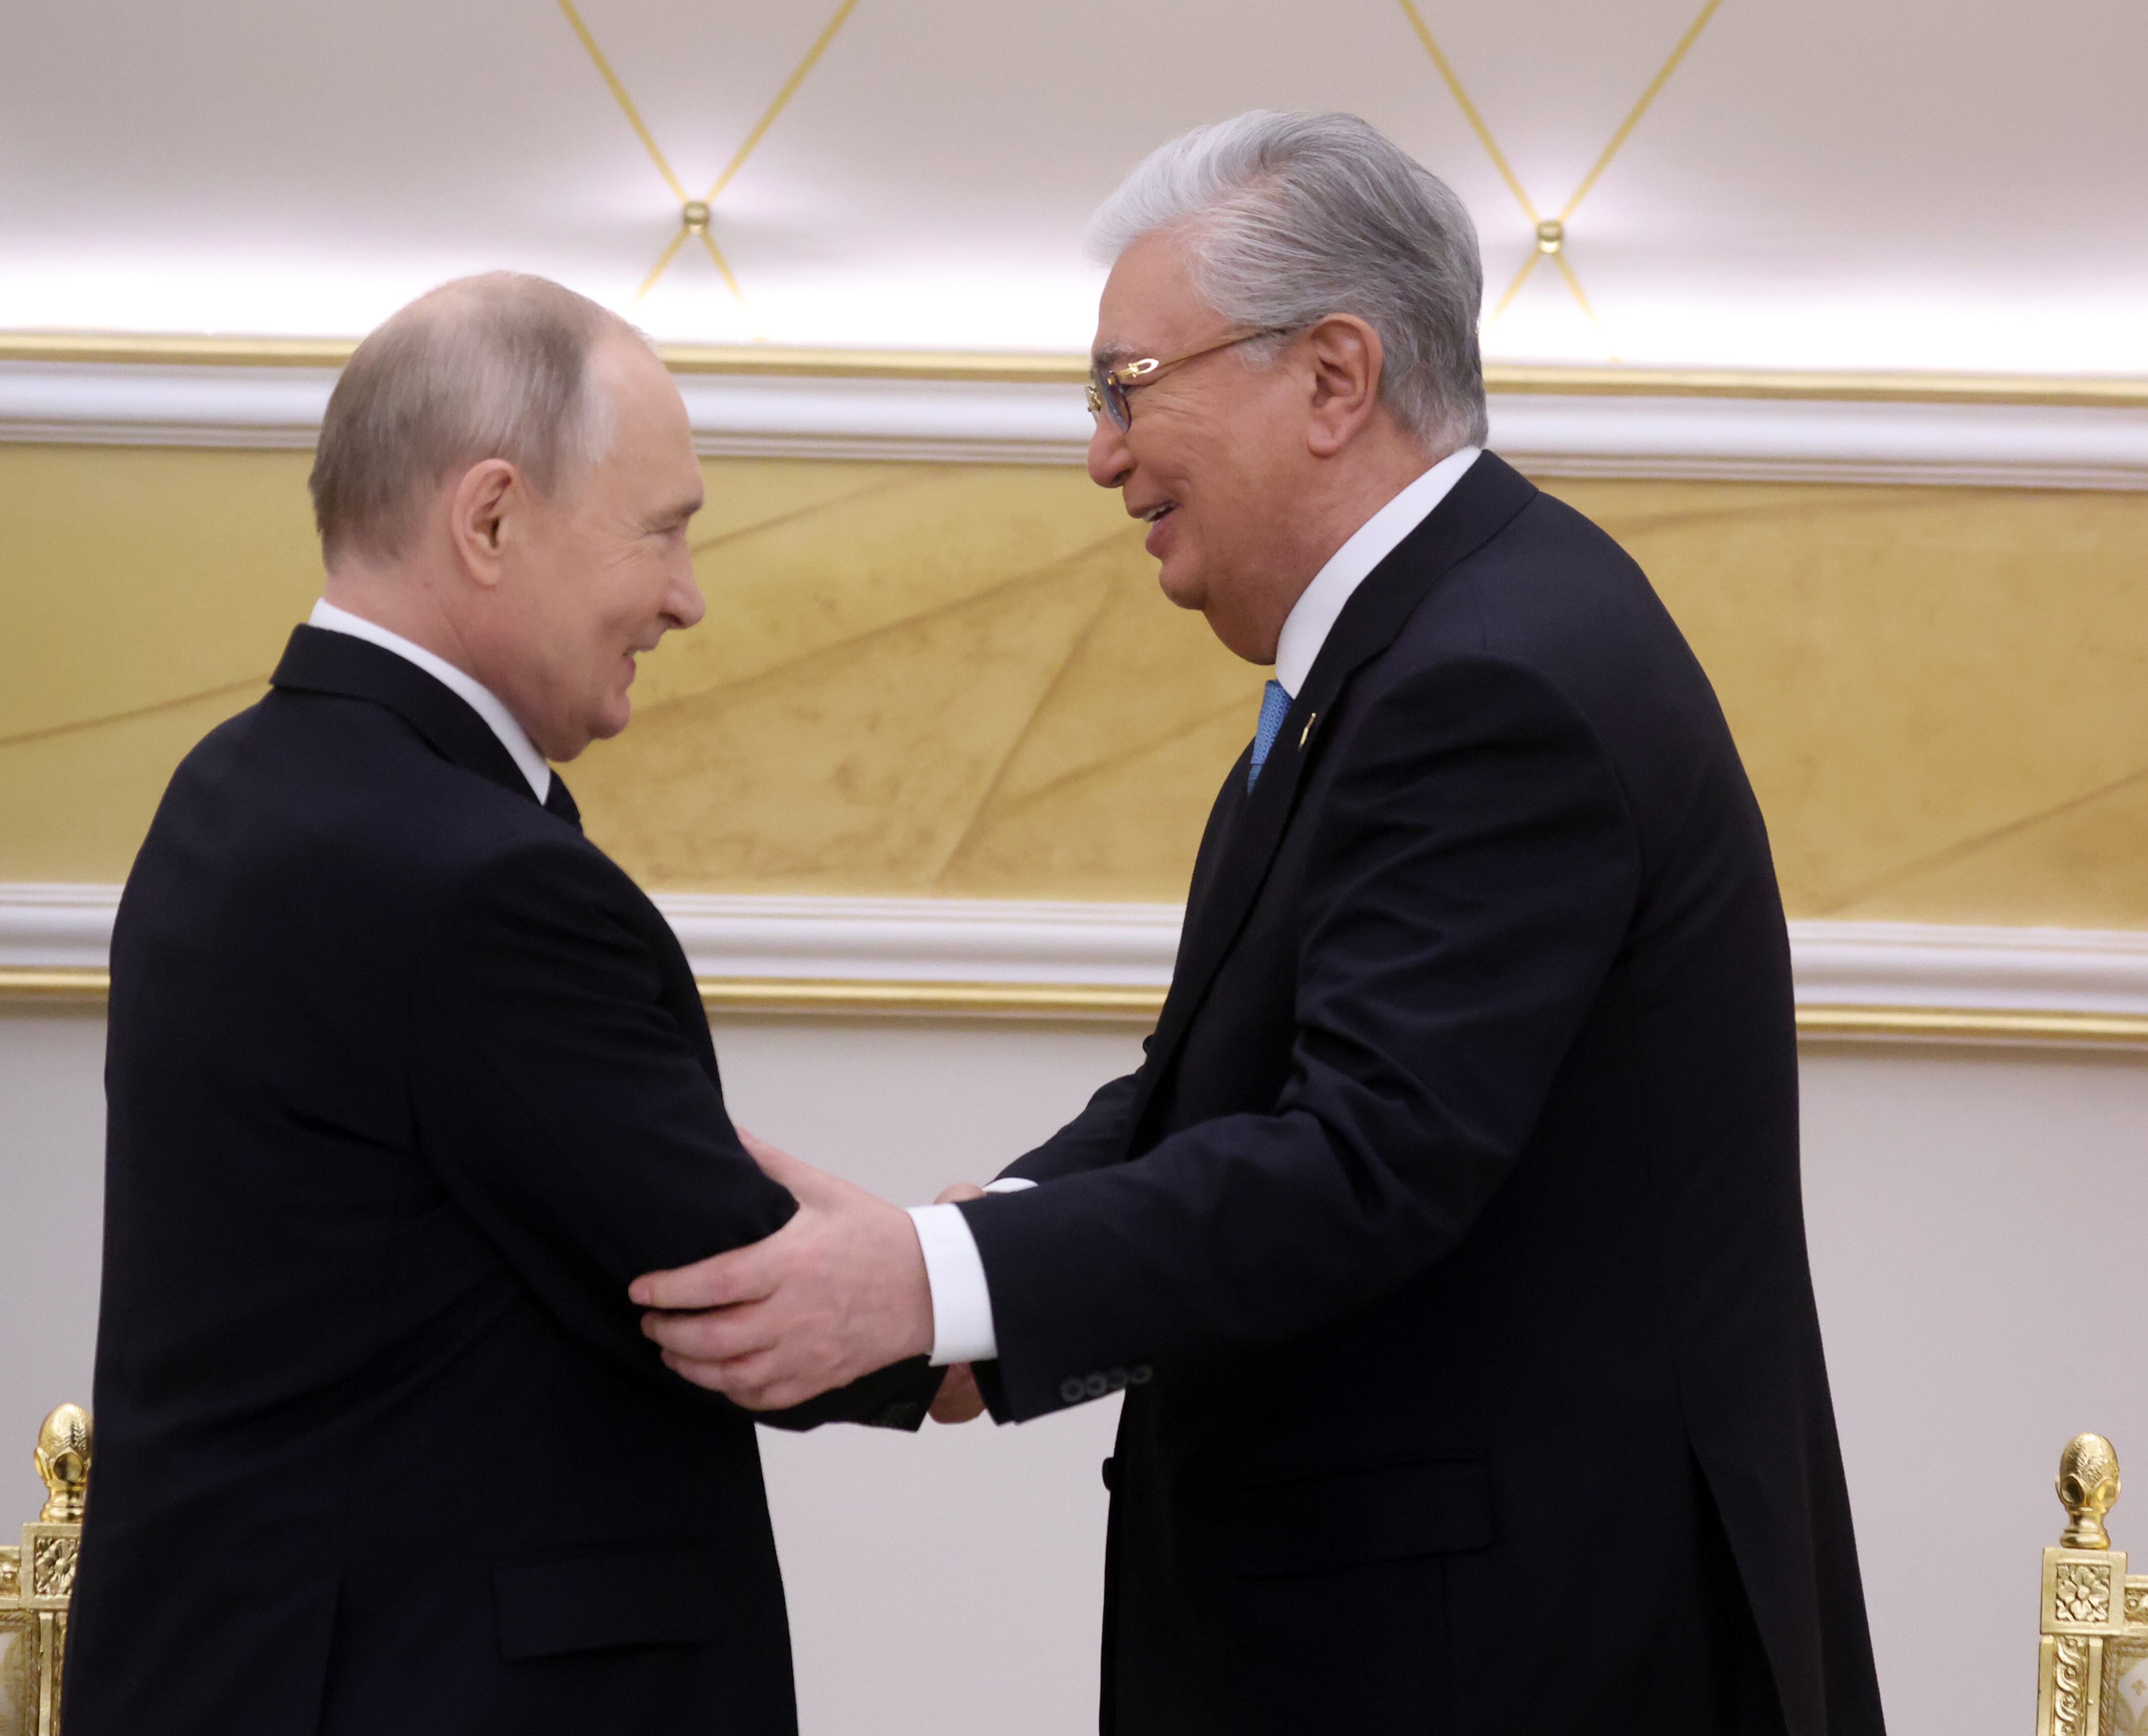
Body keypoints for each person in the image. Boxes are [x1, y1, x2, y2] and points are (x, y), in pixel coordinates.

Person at [636, 113, 1886, 1735]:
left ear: (1334, 378)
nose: (1102, 456)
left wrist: (940, 1285)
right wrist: (976, 1263)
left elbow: (1366, 1158)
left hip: (1513, 1660)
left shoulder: (1486, 679)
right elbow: (1236, 1078)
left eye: (1129, 387)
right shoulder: (1428, 644)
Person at [63, 273, 938, 1736]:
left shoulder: (236, 788)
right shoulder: (468, 875)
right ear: (490, 520)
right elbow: (726, 1286)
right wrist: (1002, 1292)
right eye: (662, 530)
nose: (687, 595)